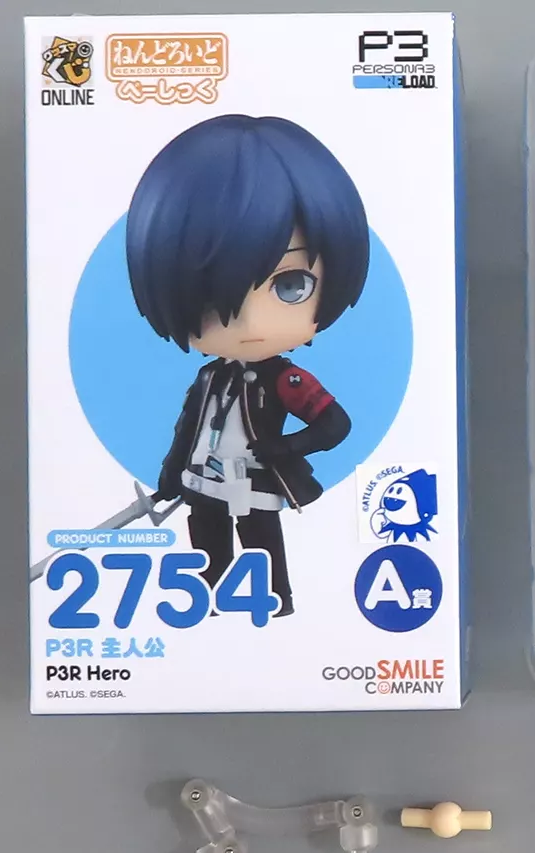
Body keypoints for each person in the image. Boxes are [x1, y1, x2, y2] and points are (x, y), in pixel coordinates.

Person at [126, 114, 370, 615]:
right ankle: (208, 602)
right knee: (208, 550)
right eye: (211, 298)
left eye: (291, 285)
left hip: (254, 480)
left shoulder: (287, 378)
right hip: (202, 481)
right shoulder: (209, 376)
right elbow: (188, 429)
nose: (252, 323)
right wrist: (171, 474)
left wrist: (284, 447)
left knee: (262, 547)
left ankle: (276, 603)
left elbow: (334, 423)